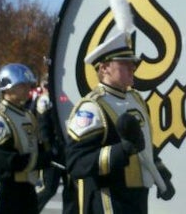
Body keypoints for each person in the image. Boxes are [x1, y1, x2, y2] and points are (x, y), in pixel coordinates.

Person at [64, 31, 175, 214]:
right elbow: (76, 162)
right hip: (110, 200)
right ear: (105, 67)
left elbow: (144, 145)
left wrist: (162, 175)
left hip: (138, 197)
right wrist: (121, 151)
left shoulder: (136, 99)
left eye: (133, 63)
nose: (133, 67)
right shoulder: (93, 107)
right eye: (125, 63)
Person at [0, 63, 51, 214]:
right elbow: (9, 161)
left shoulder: (28, 116)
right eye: (22, 85)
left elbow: (34, 146)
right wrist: (44, 159)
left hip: (26, 187)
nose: (28, 89)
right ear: (7, 87)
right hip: (4, 190)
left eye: (28, 85)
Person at [35, 79, 78, 214]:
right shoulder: (45, 100)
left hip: (68, 149)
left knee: (71, 189)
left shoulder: (67, 97)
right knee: (48, 189)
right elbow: (43, 126)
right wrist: (49, 148)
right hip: (53, 151)